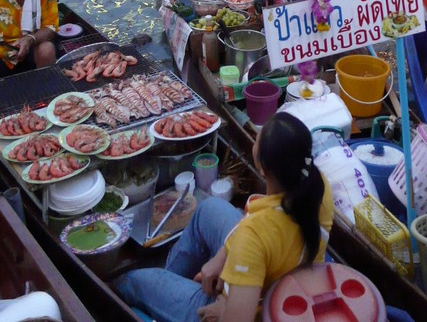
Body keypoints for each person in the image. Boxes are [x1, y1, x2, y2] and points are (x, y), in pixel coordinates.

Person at [117, 112, 333, 322]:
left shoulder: (254, 237)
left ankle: (163, 293)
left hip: (257, 309)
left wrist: (225, 305)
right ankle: (169, 281)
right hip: (275, 278)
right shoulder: (316, 185)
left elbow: (253, 238)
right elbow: (258, 232)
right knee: (209, 208)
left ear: (262, 167)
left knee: (132, 281)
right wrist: (222, 258)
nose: (254, 142)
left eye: (257, 140)